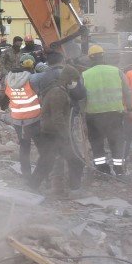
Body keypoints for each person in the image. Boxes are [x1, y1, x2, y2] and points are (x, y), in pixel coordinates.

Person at [29, 64, 85, 194]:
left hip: (51, 132)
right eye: (74, 81)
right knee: (76, 161)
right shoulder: (58, 93)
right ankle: (75, 189)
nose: (75, 84)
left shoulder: (58, 90)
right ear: (68, 79)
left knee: (46, 162)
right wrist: (66, 134)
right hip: (55, 134)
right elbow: (57, 116)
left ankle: (32, 185)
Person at [81, 44, 132, 176]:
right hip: (114, 114)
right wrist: (130, 109)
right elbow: (127, 91)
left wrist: (82, 116)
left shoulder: (85, 75)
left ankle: (102, 170)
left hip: (93, 115)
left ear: (90, 58)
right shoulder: (116, 71)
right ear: (103, 56)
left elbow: (81, 97)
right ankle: (119, 170)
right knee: (116, 142)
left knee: (97, 143)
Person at [0, 53, 40, 178]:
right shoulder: (32, 79)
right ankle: (42, 175)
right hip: (33, 118)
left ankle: (26, 173)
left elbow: (5, 94)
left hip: (17, 119)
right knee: (41, 145)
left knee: (24, 147)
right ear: (32, 66)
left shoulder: (8, 79)